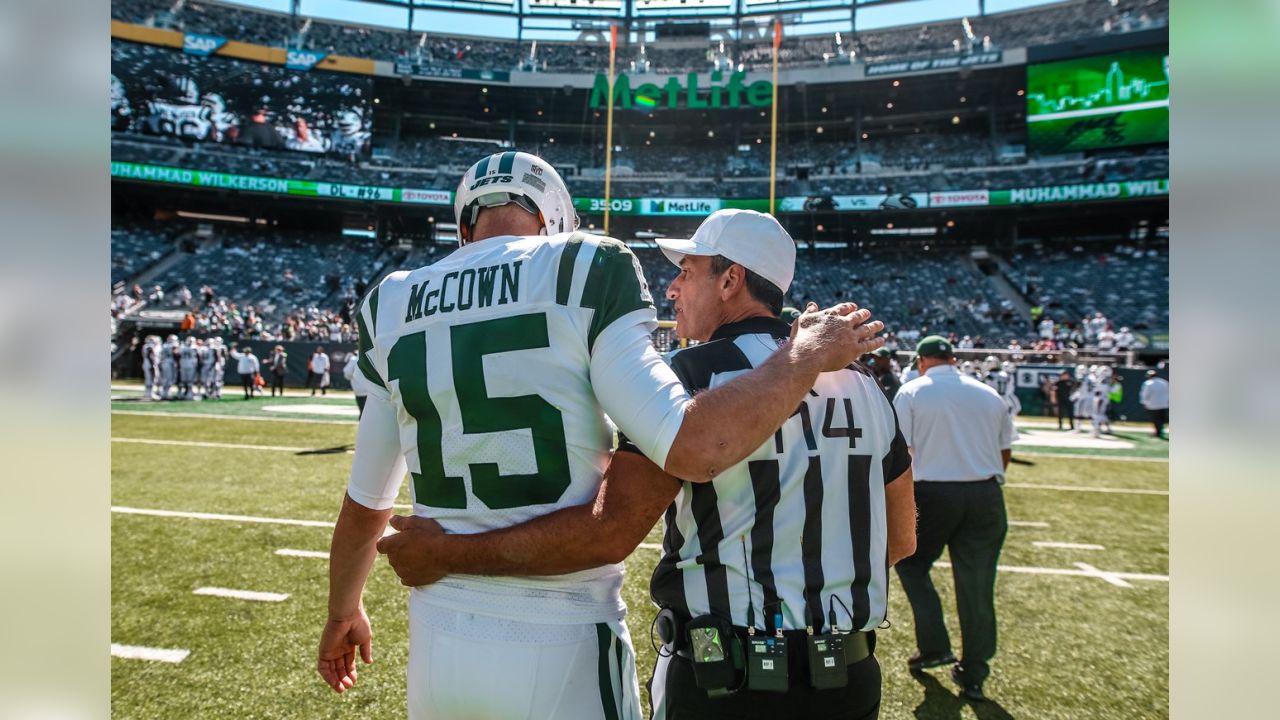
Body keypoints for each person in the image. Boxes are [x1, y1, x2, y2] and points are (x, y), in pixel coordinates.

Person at [317, 152, 885, 719]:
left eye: (686, 271)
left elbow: (366, 506)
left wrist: (343, 612)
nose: (672, 288)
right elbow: (691, 447)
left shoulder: (392, 299)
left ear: (465, 223)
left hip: (439, 644)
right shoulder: (584, 264)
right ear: (553, 218)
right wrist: (804, 353)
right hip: (565, 635)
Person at [892, 336, 1014, 703]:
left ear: (923, 361)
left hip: (933, 493)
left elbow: (899, 454)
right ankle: (974, 674)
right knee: (977, 585)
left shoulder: (913, 391)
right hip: (985, 495)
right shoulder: (989, 394)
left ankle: (934, 646)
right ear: (953, 359)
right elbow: (1004, 450)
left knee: (911, 566)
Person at [1139, 369, 1169, 439]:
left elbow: (1145, 394)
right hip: (1163, 404)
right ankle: (1159, 431)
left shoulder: (1148, 383)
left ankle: (1158, 432)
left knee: (1155, 419)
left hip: (1153, 404)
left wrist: (1144, 402)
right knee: (1161, 419)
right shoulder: (1164, 382)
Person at [341, 350, 368, 416]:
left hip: (358, 389)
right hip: (370, 390)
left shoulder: (354, 360)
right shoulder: (372, 359)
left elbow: (347, 372)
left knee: (362, 410)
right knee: (368, 412)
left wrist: (353, 378)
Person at [140, 336, 160, 401]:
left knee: (149, 379)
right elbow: (150, 356)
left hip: (148, 364)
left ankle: (147, 393)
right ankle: (150, 393)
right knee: (151, 379)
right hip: (150, 364)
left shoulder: (146, 346)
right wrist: (152, 365)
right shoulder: (149, 346)